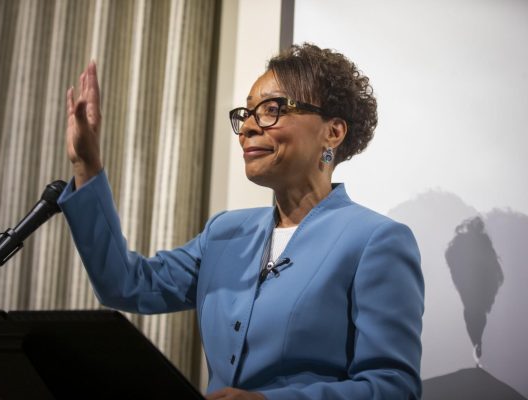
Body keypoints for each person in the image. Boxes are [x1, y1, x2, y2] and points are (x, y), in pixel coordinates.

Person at [58, 43, 424, 399]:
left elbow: (393, 387)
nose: (248, 126)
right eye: (247, 113)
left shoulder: (374, 241)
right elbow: (126, 284)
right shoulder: (225, 233)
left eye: (271, 109)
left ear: (333, 131)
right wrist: (86, 168)